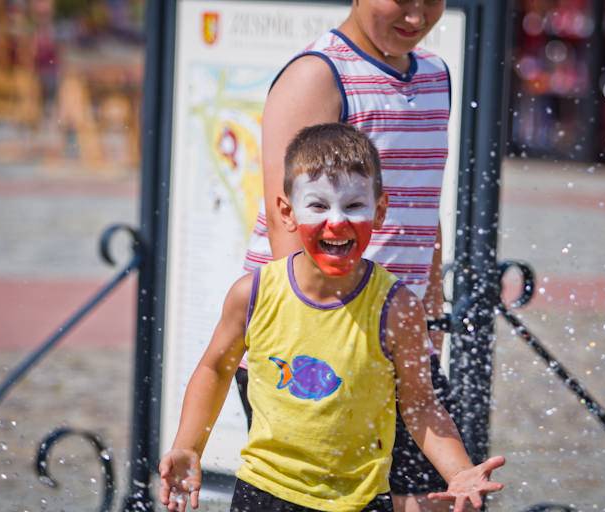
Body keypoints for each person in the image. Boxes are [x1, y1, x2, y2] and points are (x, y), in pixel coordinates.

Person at [160, 124, 505, 512]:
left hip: (357, 500)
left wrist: (458, 471)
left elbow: (420, 405)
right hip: (263, 492)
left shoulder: (396, 308)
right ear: (287, 212)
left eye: (354, 206)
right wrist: (188, 446)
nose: (336, 221)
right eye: (319, 206)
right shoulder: (253, 294)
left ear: (379, 211)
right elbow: (215, 370)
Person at [239, 2, 455, 509]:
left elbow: (420, 200)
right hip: (316, 345)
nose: (417, 13)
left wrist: (433, 307)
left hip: (398, 334)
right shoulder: (317, 77)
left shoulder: (435, 76)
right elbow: (288, 223)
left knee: (434, 497)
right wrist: (322, 342)